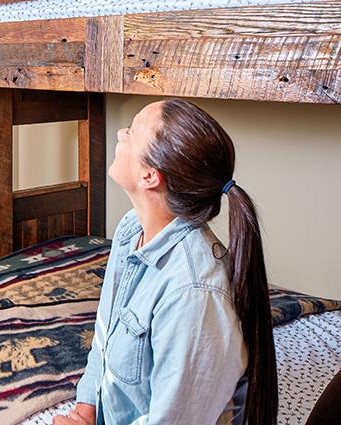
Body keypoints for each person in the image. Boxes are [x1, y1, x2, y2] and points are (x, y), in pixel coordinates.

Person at [52, 99, 278, 425]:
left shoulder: (193, 293)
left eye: (131, 132)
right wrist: (85, 409)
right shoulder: (132, 229)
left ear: (149, 176)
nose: (120, 133)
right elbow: (104, 338)